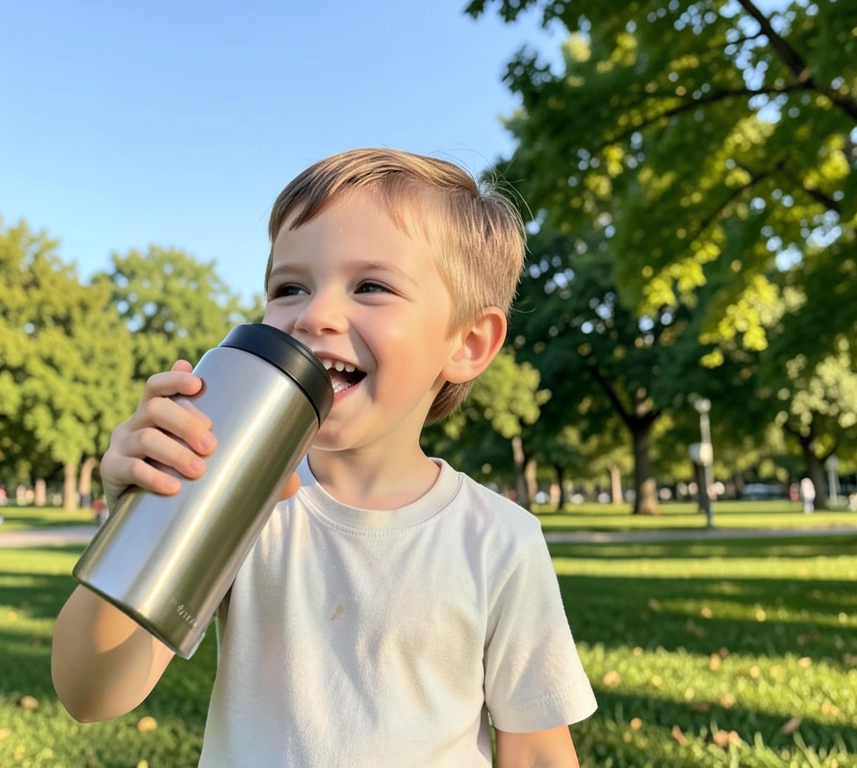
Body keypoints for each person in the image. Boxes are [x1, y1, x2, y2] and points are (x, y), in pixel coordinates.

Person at [51, 149, 596, 766]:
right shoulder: (237, 500)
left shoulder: (500, 538)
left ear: (467, 343)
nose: (314, 315)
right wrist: (144, 521)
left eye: (371, 286)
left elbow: (536, 750)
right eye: (289, 287)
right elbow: (90, 693)